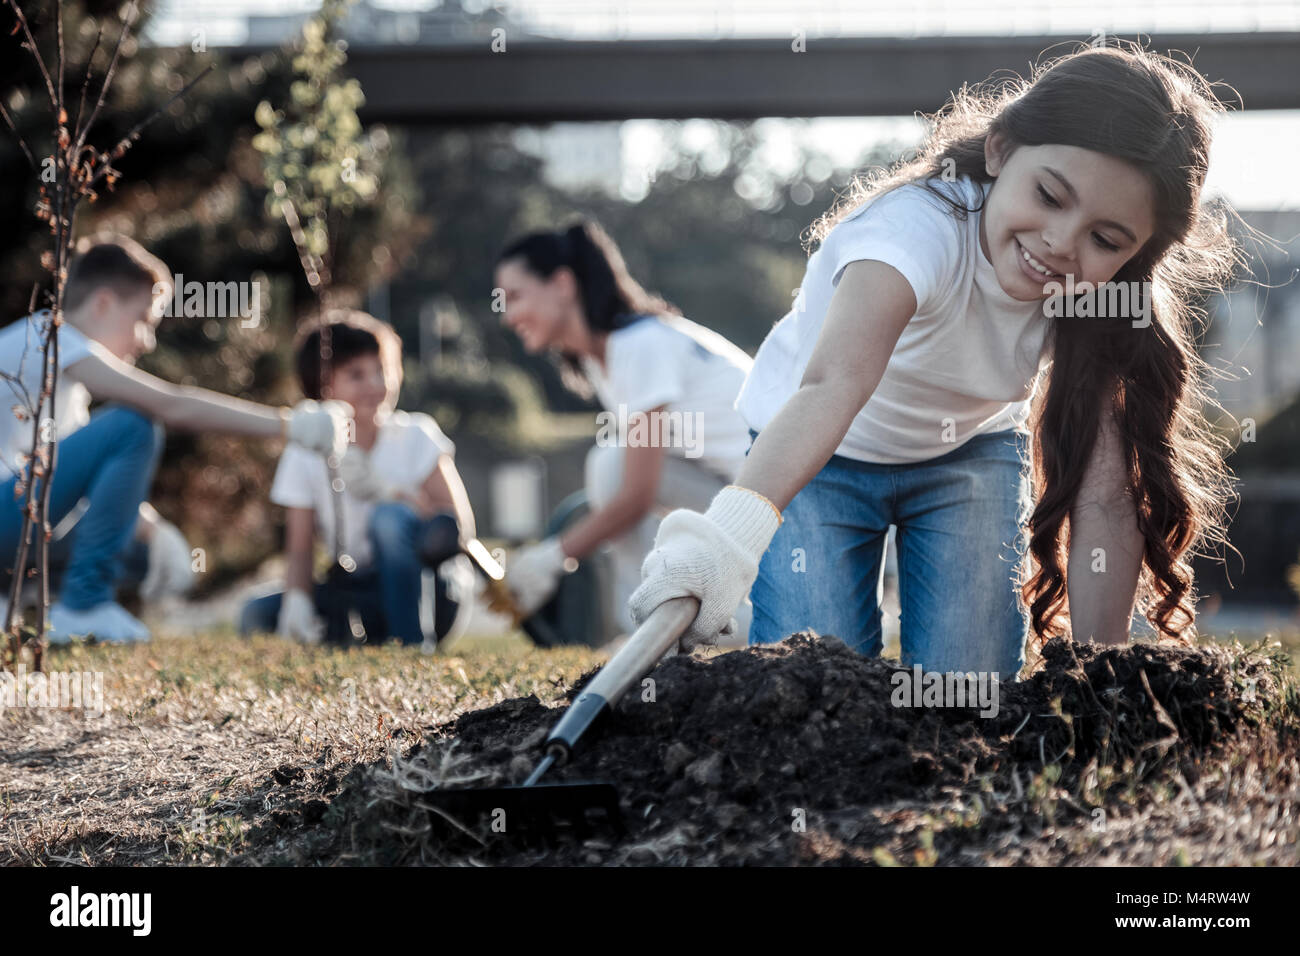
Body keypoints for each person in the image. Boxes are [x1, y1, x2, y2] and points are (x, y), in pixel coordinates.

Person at [629, 44, 1240, 678]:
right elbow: (833, 386)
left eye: (1105, 238)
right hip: (820, 454)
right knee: (815, 679)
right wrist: (725, 543)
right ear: (1001, 150)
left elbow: (1106, 492)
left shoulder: (1103, 299)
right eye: (1050, 196)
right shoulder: (910, 235)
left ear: (1137, 252)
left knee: (965, 695)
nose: (1061, 244)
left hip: (967, 457)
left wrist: (1098, 675)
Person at [0, 235, 350, 644]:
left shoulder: (65, 385)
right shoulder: (49, 337)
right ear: (103, 304)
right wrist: (290, 426)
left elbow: (79, 489)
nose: (147, 341)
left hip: (12, 518)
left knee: (141, 553)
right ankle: (83, 606)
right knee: (134, 424)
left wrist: (157, 531)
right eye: (144, 320)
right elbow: (171, 405)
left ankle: (13, 599)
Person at [494, 220, 754, 642]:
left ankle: (655, 630)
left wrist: (553, 557)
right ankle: (662, 624)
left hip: (782, 511)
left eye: (516, 296)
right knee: (613, 461)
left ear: (562, 284)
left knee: (612, 465)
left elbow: (636, 495)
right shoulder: (608, 359)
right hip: (743, 501)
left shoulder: (638, 345)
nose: (508, 316)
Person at [238, 310, 477, 648]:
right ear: (323, 386)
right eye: (357, 375)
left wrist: (394, 495)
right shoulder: (306, 451)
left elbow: (458, 527)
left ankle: (411, 645)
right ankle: (360, 640)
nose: (376, 385)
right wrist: (298, 601)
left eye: (383, 370)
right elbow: (301, 545)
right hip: (361, 590)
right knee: (256, 614)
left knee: (389, 519)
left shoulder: (417, 435)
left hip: (432, 590)